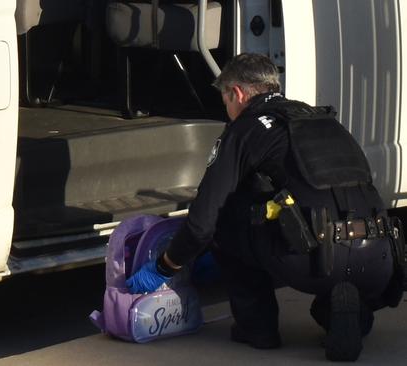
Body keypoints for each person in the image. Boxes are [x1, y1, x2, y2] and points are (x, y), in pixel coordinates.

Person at [126, 53, 404, 361]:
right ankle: (349, 310)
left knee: (226, 218)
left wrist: (166, 265)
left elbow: (203, 219)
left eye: (225, 99)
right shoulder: (320, 118)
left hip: (316, 261)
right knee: (329, 265)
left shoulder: (245, 130)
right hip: (379, 261)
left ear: (238, 93)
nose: (227, 108)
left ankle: (258, 329)